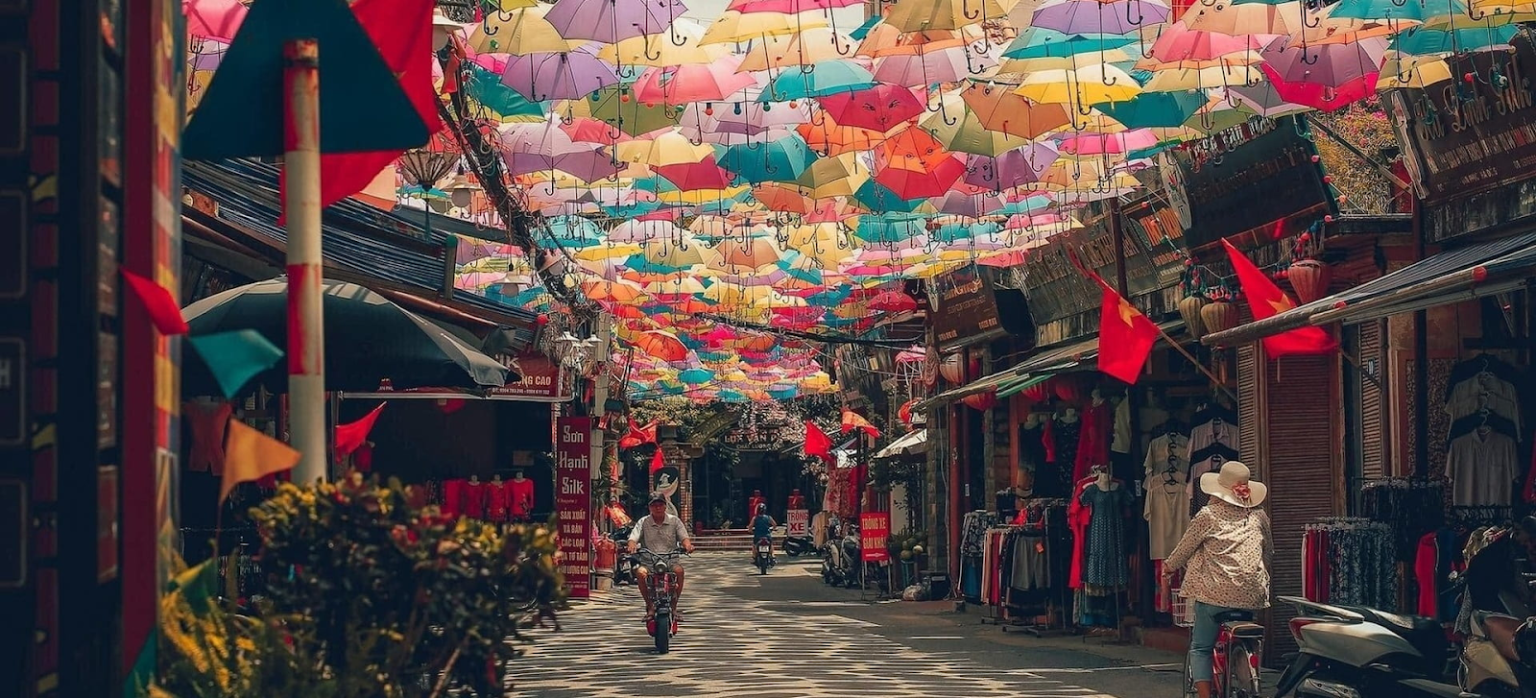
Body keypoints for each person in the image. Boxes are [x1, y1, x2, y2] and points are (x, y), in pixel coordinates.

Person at [1163, 461, 1272, 698]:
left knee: (1201, 647)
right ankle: (1248, 676)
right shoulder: (1259, 516)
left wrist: (1168, 567)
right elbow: (1269, 551)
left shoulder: (1208, 515)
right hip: (1252, 594)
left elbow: (1184, 549)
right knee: (1247, 633)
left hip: (1213, 595)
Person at [628, 491, 695, 621]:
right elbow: (633, 538)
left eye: (660, 504)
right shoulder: (643, 522)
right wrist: (631, 545)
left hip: (670, 561)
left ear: (665, 506)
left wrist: (687, 546)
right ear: (649, 507)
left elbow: (684, 538)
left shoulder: (674, 521)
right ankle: (650, 606)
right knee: (640, 573)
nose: (657, 508)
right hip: (649, 561)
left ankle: (674, 607)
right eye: (654, 505)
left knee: (679, 571)